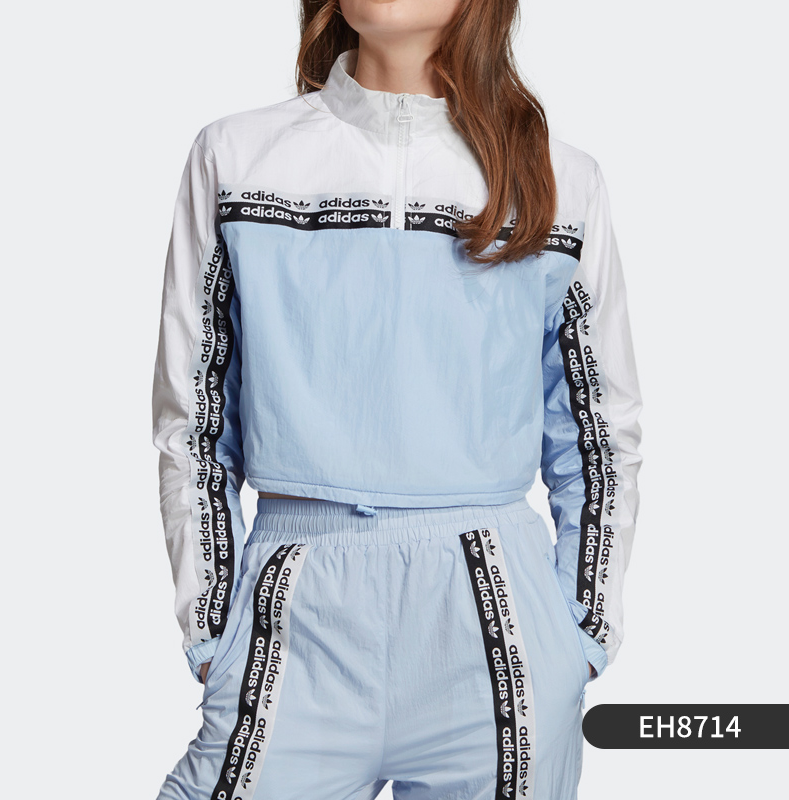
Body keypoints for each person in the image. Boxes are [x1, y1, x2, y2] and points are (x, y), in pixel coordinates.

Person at [150, 0, 643, 798]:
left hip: (493, 620)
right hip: (295, 609)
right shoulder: (238, 158)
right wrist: (213, 631)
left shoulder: (558, 176)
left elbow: (598, 431)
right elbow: (195, 420)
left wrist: (581, 634)